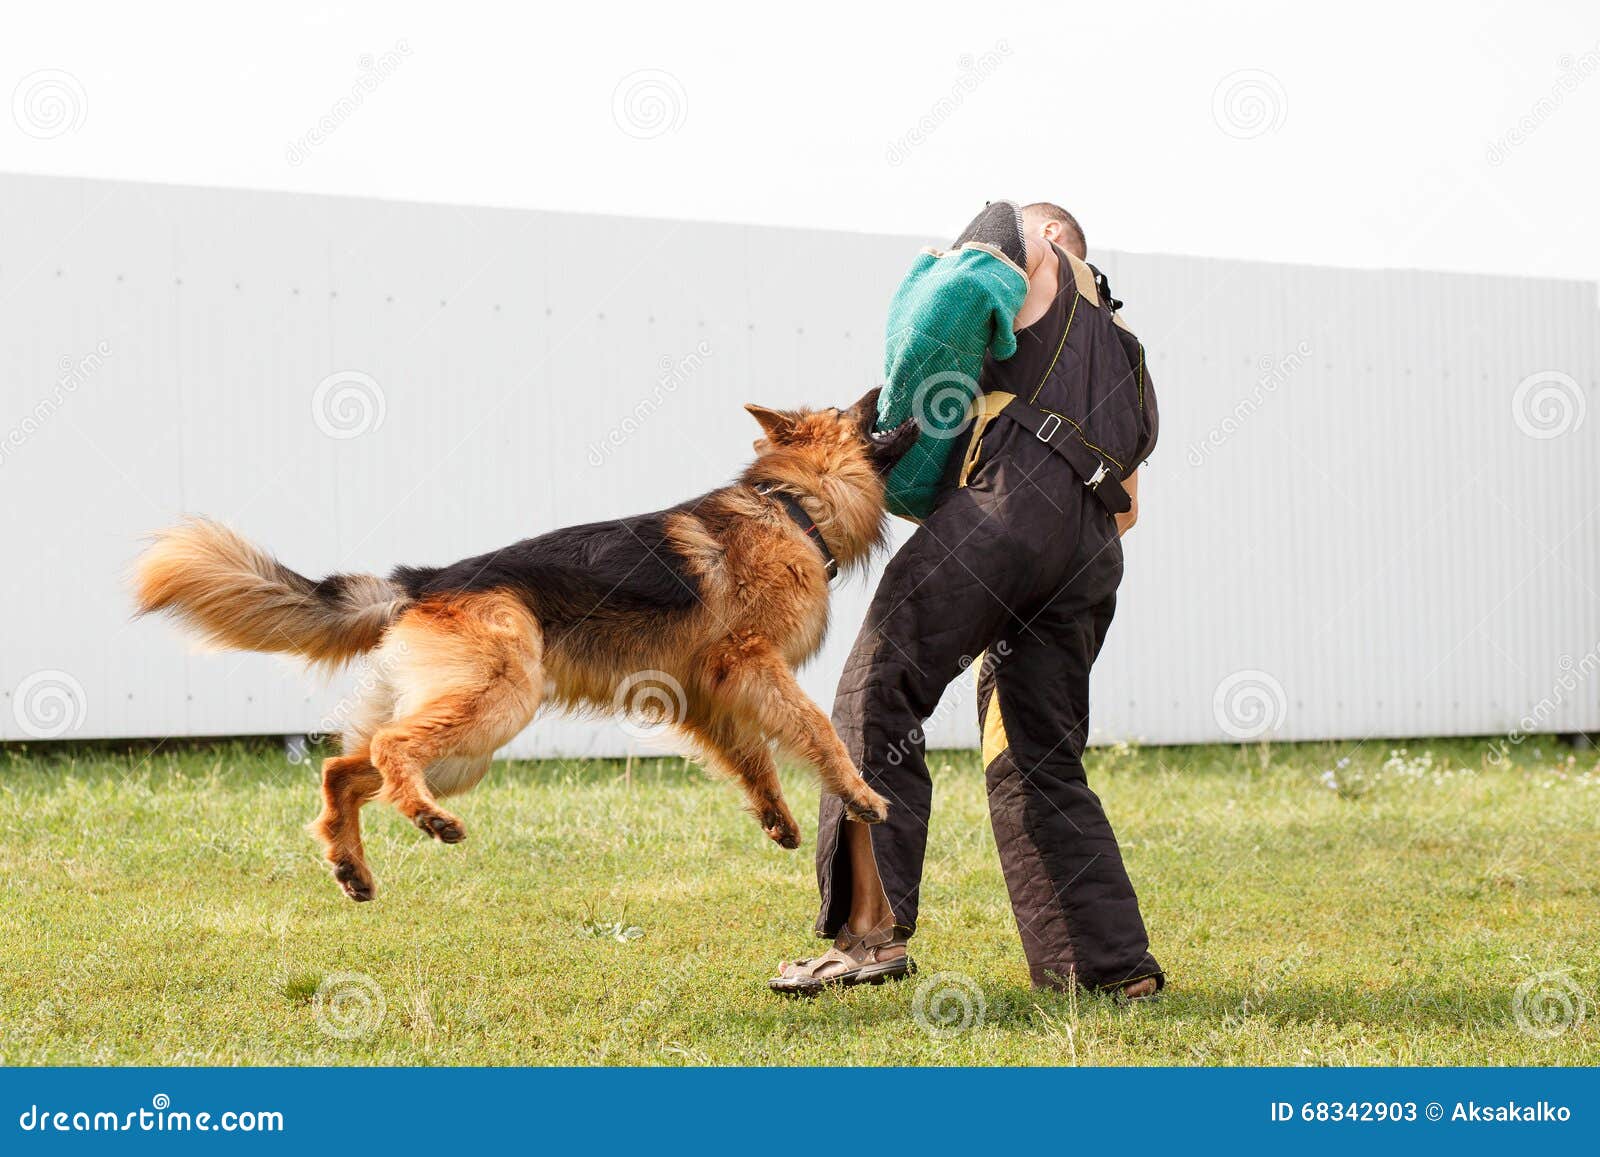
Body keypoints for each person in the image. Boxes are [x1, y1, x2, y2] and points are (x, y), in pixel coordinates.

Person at [770, 200, 1162, 999]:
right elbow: (1128, 504)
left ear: (1052, 243)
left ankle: (868, 937)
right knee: (1037, 756)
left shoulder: (1021, 238)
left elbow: (943, 305)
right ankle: (1109, 970)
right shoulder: (1127, 355)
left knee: (877, 690)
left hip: (1006, 514)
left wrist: (893, 438)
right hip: (1091, 555)